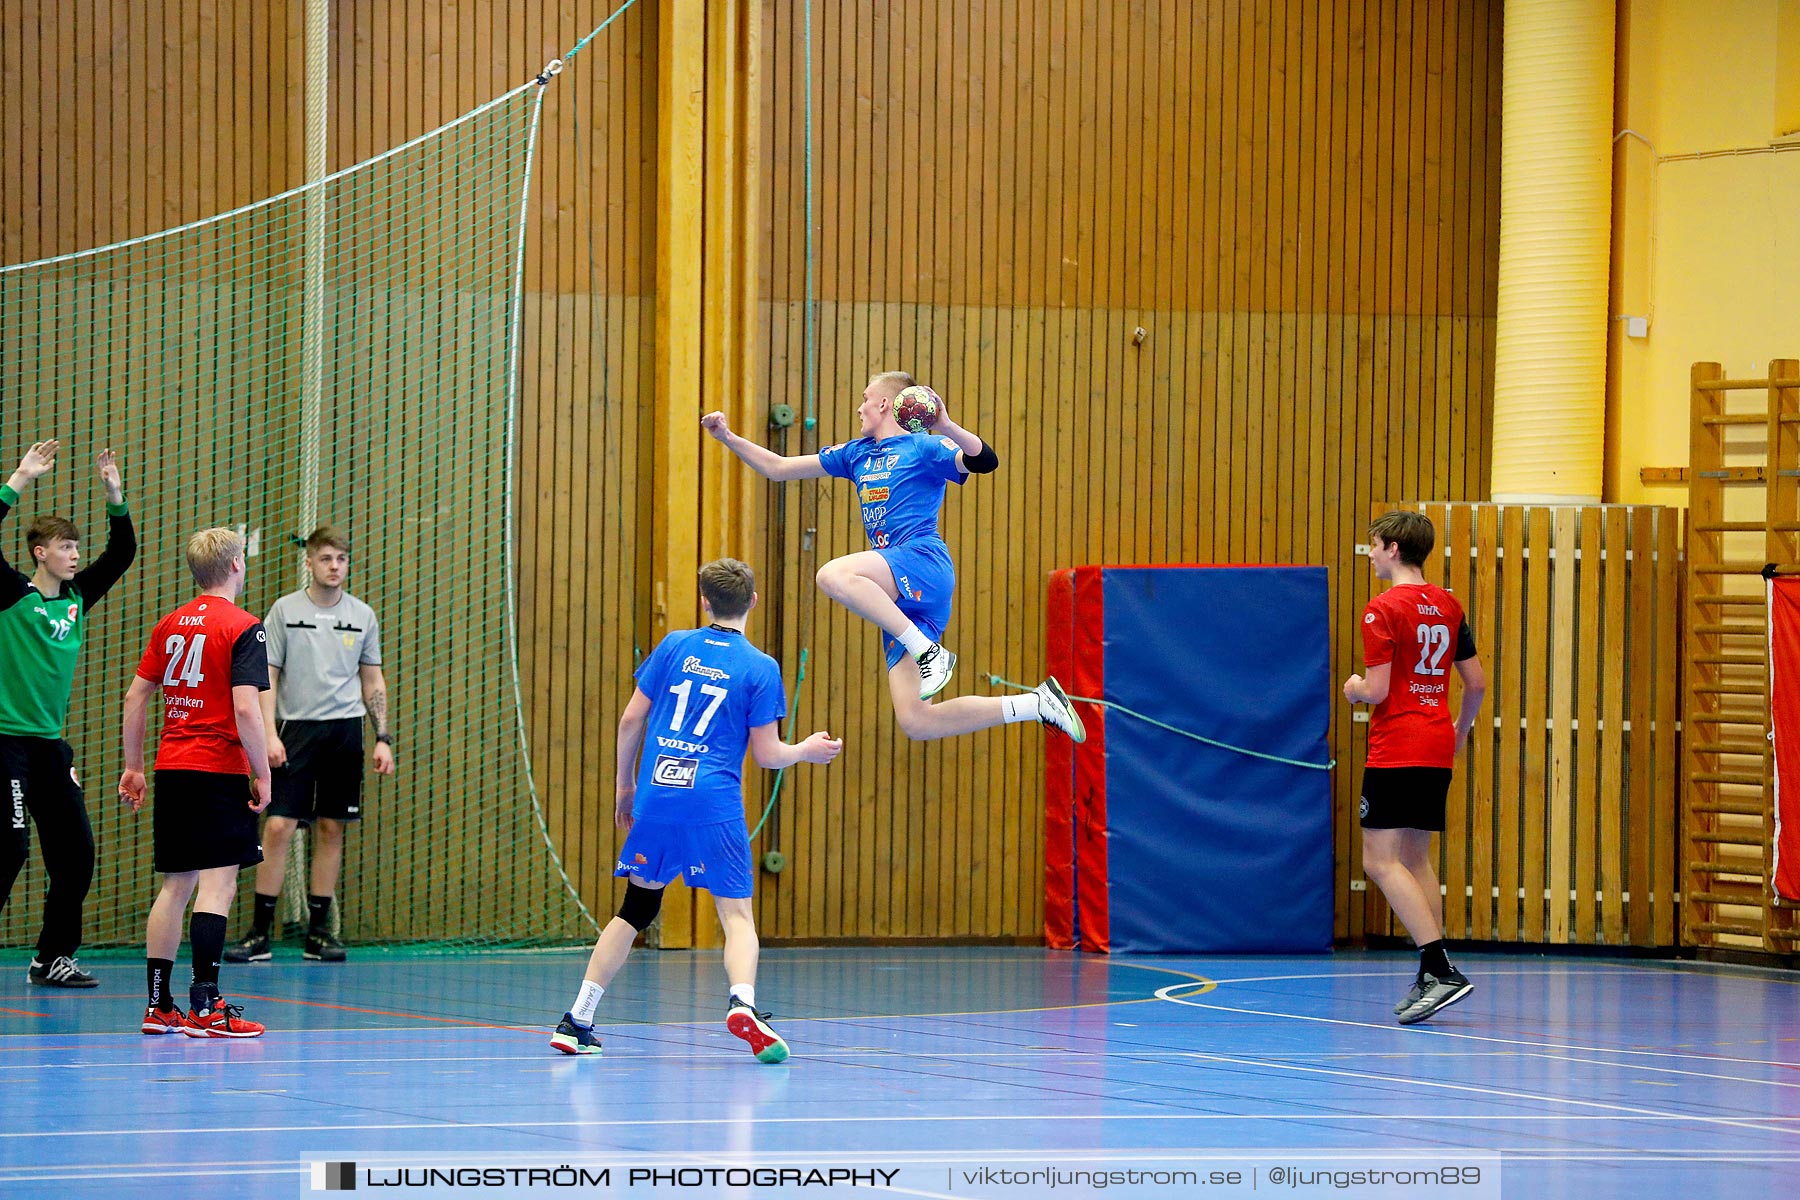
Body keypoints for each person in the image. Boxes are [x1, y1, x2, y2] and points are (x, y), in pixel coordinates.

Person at [550, 559, 842, 1062]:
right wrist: (806, 750)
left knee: (635, 910)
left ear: (704, 601)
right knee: (736, 915)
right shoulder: (760, 667)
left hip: (657, 794)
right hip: (713, 802)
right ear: (752, 601)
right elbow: (769, 755)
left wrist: (625, 788)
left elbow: (629, 721)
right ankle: (742, 1004)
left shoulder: (673, 647)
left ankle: (577, 1019)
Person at [702, 372, 1085, 744]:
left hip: (921, 562)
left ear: (885, 403)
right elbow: (778, 468)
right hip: (900, 600)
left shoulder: (923, 447)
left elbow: (985, 460)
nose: (860, 408)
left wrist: (947, 426)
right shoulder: (856, 454)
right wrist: (727, 437)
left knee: (833, 575)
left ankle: (928, 652)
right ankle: (1035, 703)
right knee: (917, 721)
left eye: (865, 399)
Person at [120, 527, 274, 1038]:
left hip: (172, 765)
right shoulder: (245, 626)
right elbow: (247, 709)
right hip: (216, 766)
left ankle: (159, 1005)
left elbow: (135, 698)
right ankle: (207, 1005)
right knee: (218, 883)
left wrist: (134, 767)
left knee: (175, 886)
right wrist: (262, 773)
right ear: (235, 566)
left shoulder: (170, 624)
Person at [0, 439, 136, 988]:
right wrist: (20, 478)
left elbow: (121, 554)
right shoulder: (10, 595)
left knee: (76, 854)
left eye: (78, 546)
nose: (75, 554)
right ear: (39, 553)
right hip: (5, 742)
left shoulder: (78, 598)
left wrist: (115, 495)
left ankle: (51, 957)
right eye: (64, 546)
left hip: (50, 747)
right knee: (9, 847)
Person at [1342, 510, 1487, 1026]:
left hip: (1397, 744)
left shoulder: (1382, 609)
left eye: (1375, 546)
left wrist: (1355, 688)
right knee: (1415, 858)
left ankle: (1439, 966)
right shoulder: (1448, 604)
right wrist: (1460, 730)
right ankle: (1433, 970)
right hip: (1436, 742)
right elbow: (1476, 683)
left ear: (1394, 550)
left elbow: (1377, 690)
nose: (1372, 554)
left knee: (1379, 862)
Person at [224, 526, 392, 964]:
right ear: (310, 563)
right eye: (326, 559)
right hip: (294, 732)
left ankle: (319, 933)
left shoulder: (363, 615)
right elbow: (268, 677)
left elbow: (372, 679)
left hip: (345, 732)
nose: (334, 566)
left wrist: (382, 737)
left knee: (331, 828)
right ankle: (260, 933)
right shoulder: (284, 611)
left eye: (341, 558)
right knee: (278, 826)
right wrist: (269, 733)